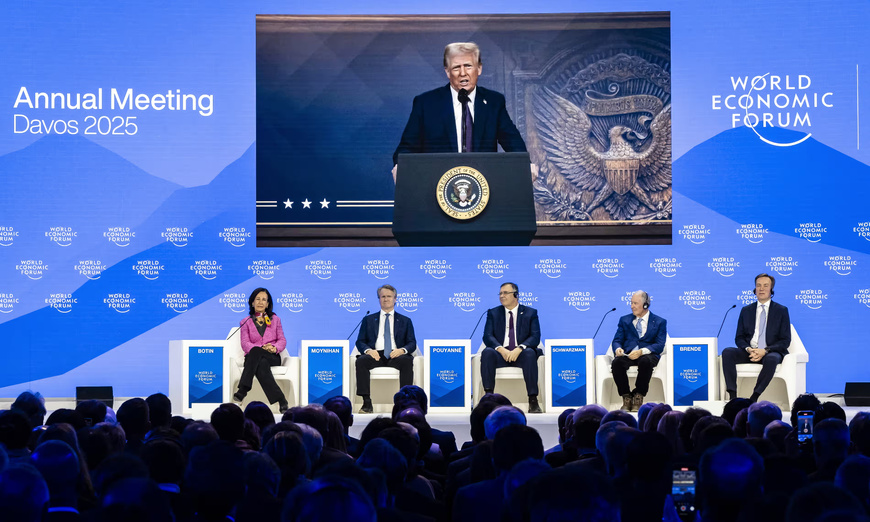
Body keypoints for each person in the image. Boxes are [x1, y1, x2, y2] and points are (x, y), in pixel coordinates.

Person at [391, 42, 527, 181]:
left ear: (479, 69)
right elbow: (407, 147)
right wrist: (400, 165)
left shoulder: (494, 102)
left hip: (483, 185)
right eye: (456, 67)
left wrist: (526, 164)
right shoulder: (426, 103)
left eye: (468, 66)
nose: (463, 73)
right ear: (447, 72)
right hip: (437, 184)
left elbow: (512, 141)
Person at [721, 273, 791, 402]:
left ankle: (754, 397)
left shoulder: (781, 310)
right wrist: (748, 349)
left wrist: (765, 350)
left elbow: (785, 340)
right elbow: (739, 337)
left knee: (771, 359)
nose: (761, 289)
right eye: (758, 285)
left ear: (771, 289)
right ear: (754, 289)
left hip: (770, 352)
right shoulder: (746, 310)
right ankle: (732, 396)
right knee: (727, 352)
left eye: (765, 285)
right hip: (750, 351)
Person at [481, 282, 543, 413]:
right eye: (500, 293)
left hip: (521, 355)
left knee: (530, 353)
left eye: (505, 293)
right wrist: (500, 349)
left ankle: (533, 400)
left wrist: (519, 348)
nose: (501, 296)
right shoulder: (493, 313)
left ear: (515, 295)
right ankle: (488, 398)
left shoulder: (530, 313)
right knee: (487, 352)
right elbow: (487, 336)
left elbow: (535, 337)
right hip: (500, 355)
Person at [355, 284, 417, 414]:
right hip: (375, 355)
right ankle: (366, 402)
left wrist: (402, 350)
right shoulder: (368, 319)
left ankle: (404, 402)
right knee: (361, 361)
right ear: (379, 299)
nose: (386, 299)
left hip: (396, 354)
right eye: (382, 296)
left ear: (395, 299)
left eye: (389, 296)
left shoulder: (406, 320)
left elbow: (412, 343)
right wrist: (368, 350)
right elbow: (360, 341)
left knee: (407, 361)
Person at [233, 287, 289, 413]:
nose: (260, 302)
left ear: (268, 304)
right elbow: (245, 343)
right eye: (257, 299)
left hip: (272, 356)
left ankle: (243, 390)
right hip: (254, 356)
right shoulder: (245, 322)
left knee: (258, 355)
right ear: (252, 302)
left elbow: (282, 340)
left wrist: (274, 347)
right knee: (259, 359)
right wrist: (258, 348)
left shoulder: (276, 320)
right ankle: (281, 400)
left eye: (264, 300)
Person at [610, 290, 667, 412]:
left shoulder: (659, 322)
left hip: (648, 355)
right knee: (617, 363)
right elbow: (617, 340)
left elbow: (659, 345)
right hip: (628, 354)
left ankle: (638, 396)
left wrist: (642, 351)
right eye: (631, 303)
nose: (632, 306)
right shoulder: (624, 320)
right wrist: (618, 349)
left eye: (635, 303)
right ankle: (626, 397)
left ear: (645, 305)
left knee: (645, 361)